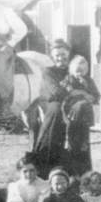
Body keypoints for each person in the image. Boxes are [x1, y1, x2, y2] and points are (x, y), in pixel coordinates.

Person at [32, 40, 71, 179]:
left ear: (68, 54)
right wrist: (74, 90)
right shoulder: (48, 71)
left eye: (63, 54)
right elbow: (56, 92)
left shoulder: (75, 68)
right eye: (57, 56)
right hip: (55, 108)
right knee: (55, 112)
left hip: (72, 107)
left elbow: (91, 92)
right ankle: (46, 168)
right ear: (53, 58)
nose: (60, 58)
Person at [61, 55, 101, 177]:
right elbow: (67, 93)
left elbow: (96, 96)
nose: (79, 74)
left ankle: (84, 171)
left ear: (86, 71)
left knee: (84, 142)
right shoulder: (68, 79)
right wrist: (82, 94)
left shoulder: (89, 80)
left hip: (84, 116)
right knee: (72, 141)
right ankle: (72, 172)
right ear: (72, 70)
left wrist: (86, 88)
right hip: (71, 115)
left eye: (82, 71)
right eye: (77, 71)